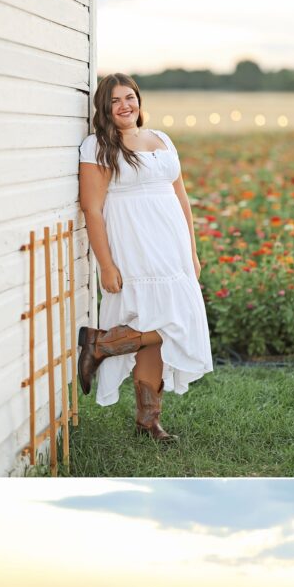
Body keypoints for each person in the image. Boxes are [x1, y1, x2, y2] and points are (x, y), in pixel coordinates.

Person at [77, 73, 212, 442]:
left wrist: (192, 251)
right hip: (134, 244)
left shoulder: (162, 139)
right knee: (165, 321)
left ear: (139, 100)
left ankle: (146, 419)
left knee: (169, 324)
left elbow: (181, 198)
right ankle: (102, 345)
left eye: (130, 97)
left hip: (172, 249)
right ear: (105, 108)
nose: (125, 105)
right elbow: (91, 208)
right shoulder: (98, 146)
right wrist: (105, 264)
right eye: (115, 101)